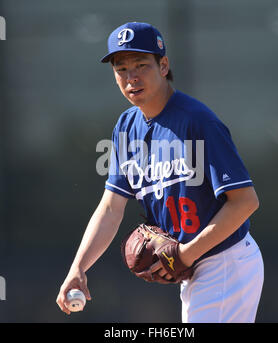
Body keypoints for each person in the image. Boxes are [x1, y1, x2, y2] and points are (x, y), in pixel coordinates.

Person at [56, 22, 264, 323]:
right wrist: (78, 267)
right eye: (121, 69)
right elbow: (111, 207)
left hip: (225, 262)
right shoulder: (126, 128)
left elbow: (245, 202)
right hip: (195, 268)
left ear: (163, 66)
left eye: (141, 65)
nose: (132, 77)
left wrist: (185, 254)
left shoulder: (198, 121)